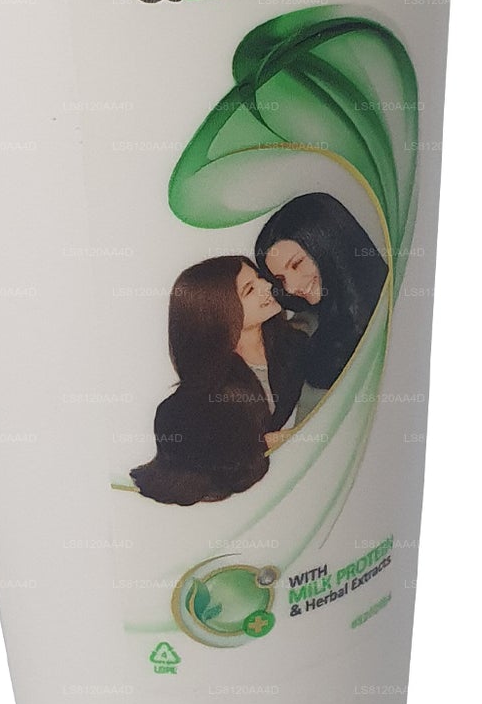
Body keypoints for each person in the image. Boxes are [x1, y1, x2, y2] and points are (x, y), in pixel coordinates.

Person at [130, 256, 307, 507]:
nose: (268, 287)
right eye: (249, 290)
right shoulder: (199, 400)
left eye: (260, 278)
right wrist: (266, 443)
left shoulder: (296, 345)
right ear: (219, 311)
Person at [253, 192, 389, 395]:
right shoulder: (310, 326)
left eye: (297, 264)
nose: (291, 288)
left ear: (329, 245)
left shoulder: (390, 308)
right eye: (281, 279)